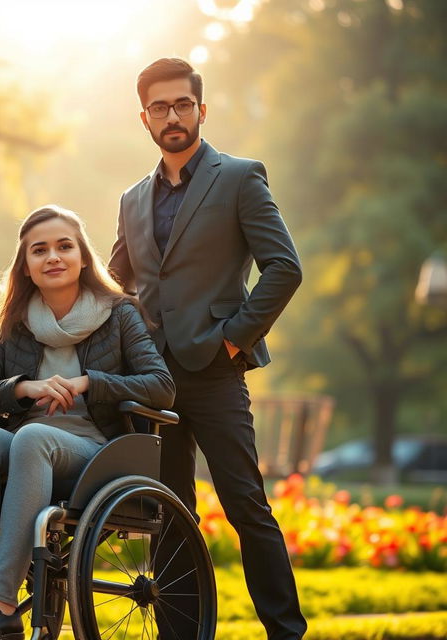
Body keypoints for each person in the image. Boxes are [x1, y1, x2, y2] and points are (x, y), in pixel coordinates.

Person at [109, 58, 307, 640]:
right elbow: (116, 280)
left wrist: (232, 338)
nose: (173, 116)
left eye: (183, 104)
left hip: (216, 372)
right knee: (169, 513)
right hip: (152, 377)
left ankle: (285, 632)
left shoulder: (240, 178)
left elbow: (284, 268)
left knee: (247, 507)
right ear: (143, 118)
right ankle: (181, 633)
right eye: (160, 107)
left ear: (201, 109)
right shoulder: (130, 198)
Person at [0, 205, 175, 635]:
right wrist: (26, 388)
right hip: (28, 446)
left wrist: (87, 383)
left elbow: (160, 385)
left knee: (34, 436)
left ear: (82, 257)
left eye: (64, 246)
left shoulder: (120, 314)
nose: (53, 257)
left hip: (95, 451)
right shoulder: (18, 324)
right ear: (26, 266)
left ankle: (0, 604)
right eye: (40, 250)